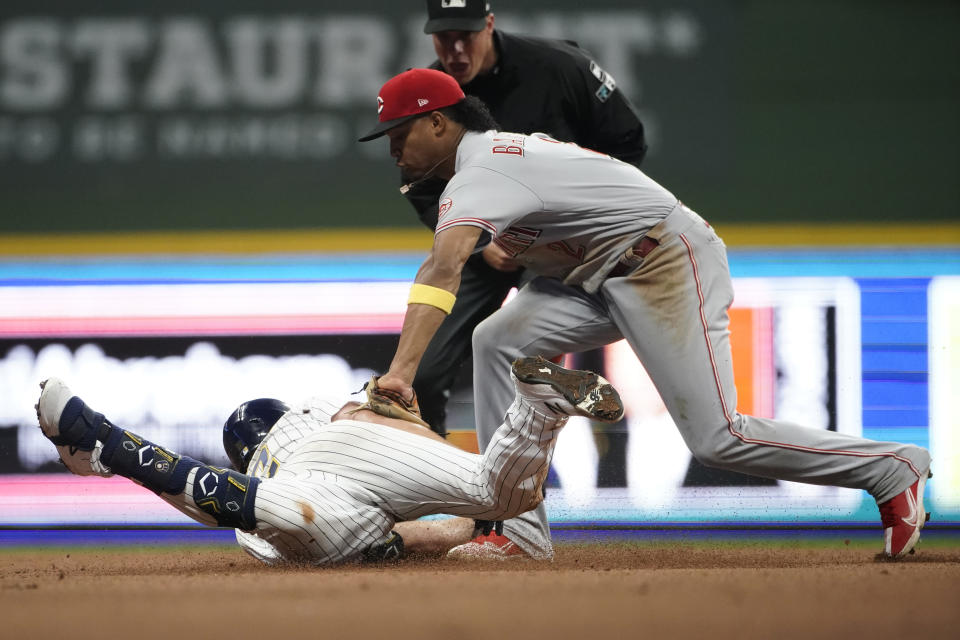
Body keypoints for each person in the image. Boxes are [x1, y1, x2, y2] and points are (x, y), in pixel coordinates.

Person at [358, 68, 933, 561]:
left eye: (398, 132)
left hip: (664, 261)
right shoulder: (495, 163)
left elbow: (442, 269)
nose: (391, 149)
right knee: (496, 339)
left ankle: (889, 468)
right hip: (590, 278)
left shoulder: (481, 173)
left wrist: (401, 373)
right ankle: (519, 528)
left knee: (717, 439)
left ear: (439, 122)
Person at [33, 356, 623, 565]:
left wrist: (409, 543)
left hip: (309, 490)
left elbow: (209, 505)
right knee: (501, 493)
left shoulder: (262, 460)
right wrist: (469, 503)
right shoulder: (324, 407)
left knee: (228, 500)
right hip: (360, 441)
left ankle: (102, 442)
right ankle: (538, 410)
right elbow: (384, 422)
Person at [392, 0, 647, 437]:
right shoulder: (430, 97)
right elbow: (421, 181)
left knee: (533, 371)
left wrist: (578, 228)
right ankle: (433, 485)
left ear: (489, 25)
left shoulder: (558, 67)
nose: (455, 49)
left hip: (561, 248)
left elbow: (627, 144)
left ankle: (518, 497)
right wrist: (481, 244)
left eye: (466, 35)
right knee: (423, 376)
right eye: (443, 37)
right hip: (483, 248)